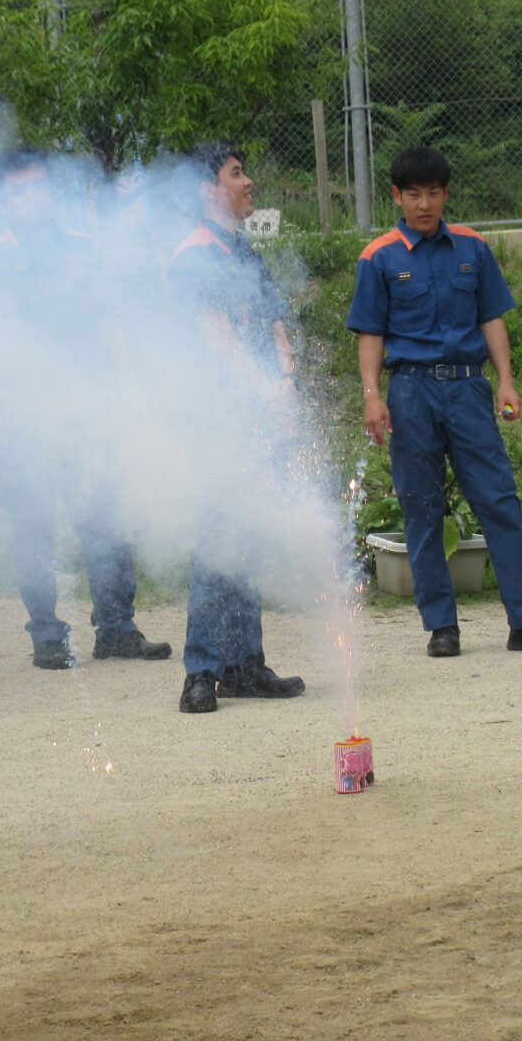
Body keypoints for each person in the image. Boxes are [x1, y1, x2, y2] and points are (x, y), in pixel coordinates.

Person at [347, 146, 522, 658]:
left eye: (433, 193)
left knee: (499, 500)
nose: (424, 204)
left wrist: (506, 381)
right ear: (397, 196)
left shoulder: (474, 247)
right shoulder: (378, 256)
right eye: (413, 194)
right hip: (410, 392)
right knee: (421, 507)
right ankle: (441, 627)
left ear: (446, 193)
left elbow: (492, 317)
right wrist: (372, 396)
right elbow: (370, 333)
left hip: (469, 388)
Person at [0, 149, 170, 670]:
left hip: (87, 408)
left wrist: (128, 388)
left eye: (39, 187)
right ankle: (47, 634)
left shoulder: (84, 249)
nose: (31, 199)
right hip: (24, 416)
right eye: (19, 191)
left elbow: (110, 323)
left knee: (103, 519)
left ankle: (117, 628)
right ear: (3, 200)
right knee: (33, 525)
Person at [168, 143, 307, 713]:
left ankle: (245, 666)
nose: (248, 181)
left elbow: (273, 325)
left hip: (259, 410)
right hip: (217, 420)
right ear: (208, 190)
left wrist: (288, 385)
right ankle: (200, 671)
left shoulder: (244, 251)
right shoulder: (193, 255)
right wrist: (267, 393)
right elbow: (218, 341)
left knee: (249, 534)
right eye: (236, 173)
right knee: (219, 538)